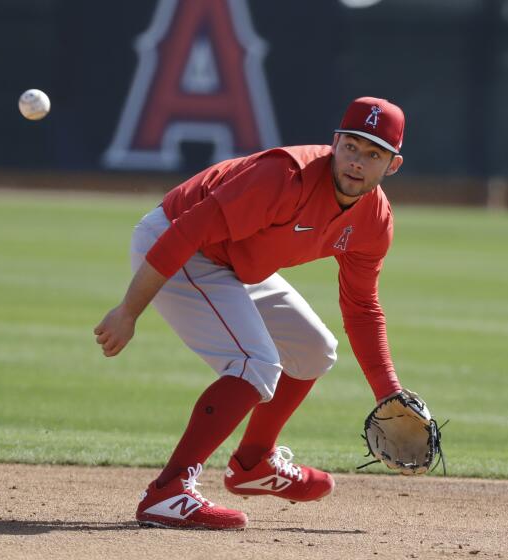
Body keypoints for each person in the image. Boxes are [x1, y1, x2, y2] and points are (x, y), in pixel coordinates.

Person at [94, 96, 406, 530]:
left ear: (392, 165)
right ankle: (167, 492)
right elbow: (189, 229)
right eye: (351, 146)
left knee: (314, 349)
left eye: (373, 154)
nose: (357, 161)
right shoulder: (285, 177)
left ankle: (254, 463)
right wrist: (129, 310)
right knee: (255, 362)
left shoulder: (374, 220)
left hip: (236, 261)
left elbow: (361, 306)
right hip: (177, 243)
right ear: (335, 142)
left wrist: (387, 392)